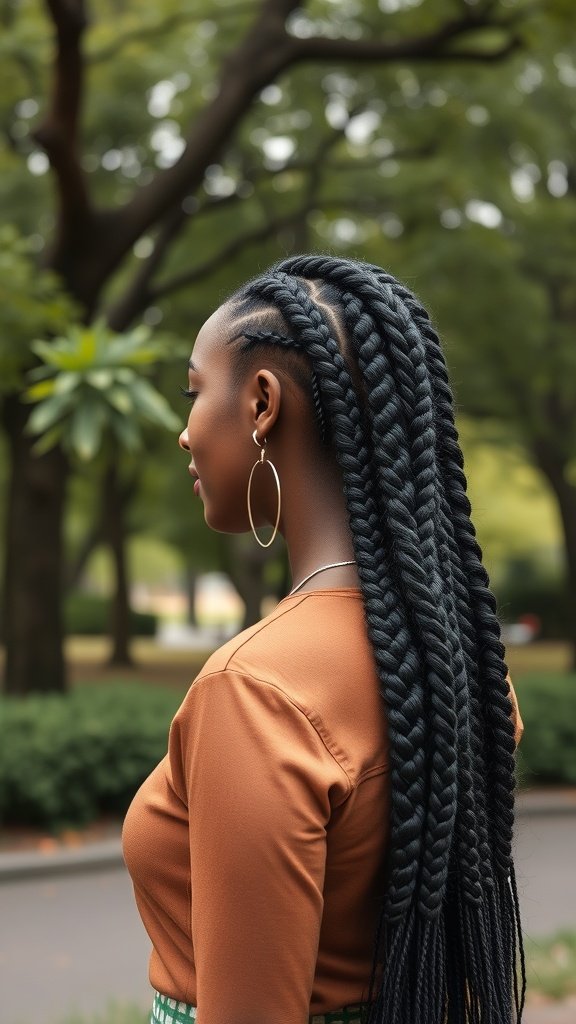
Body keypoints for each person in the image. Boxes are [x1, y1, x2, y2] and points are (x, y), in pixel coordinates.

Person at [122, 255, 525, 1024]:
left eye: (195, 393)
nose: (184, 433)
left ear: (263, 403)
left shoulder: (256, 691)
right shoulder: (471, 665)